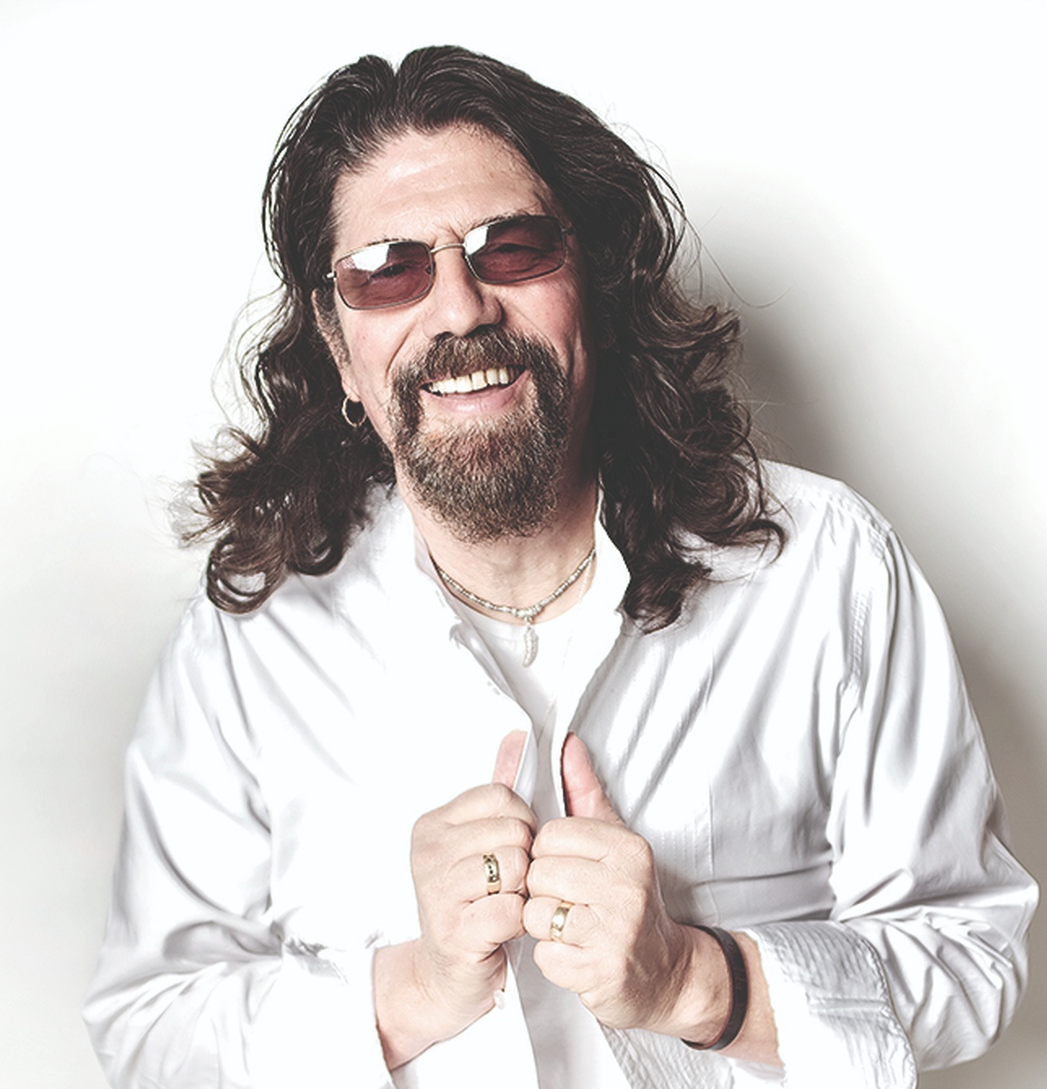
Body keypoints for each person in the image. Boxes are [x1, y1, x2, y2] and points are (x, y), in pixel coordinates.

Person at [82, 46, 1035, 1089]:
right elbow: (151, 1026)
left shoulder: (827, 569)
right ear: (337, 344)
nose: (459, 309)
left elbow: (976, 949)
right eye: (389, 269)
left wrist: (697, 984)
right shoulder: (250, 635)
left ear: (595, 282)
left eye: (512, 248)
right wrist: (411, 990)